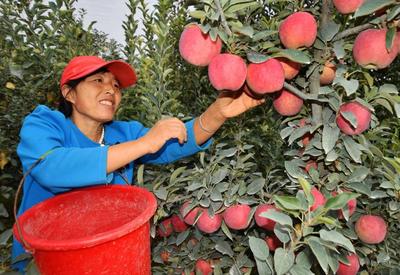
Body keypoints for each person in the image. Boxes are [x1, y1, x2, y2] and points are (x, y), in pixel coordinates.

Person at [11, 55, 264, 272]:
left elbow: (176, 143)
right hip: (47, 263)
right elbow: (52, 166)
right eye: (98, 80)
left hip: (110, 259)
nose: (111, 89)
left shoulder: (123, 134)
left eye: (116, 85)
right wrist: (144, 144)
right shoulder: (45, 123)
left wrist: (217, 113)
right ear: (69, 93)